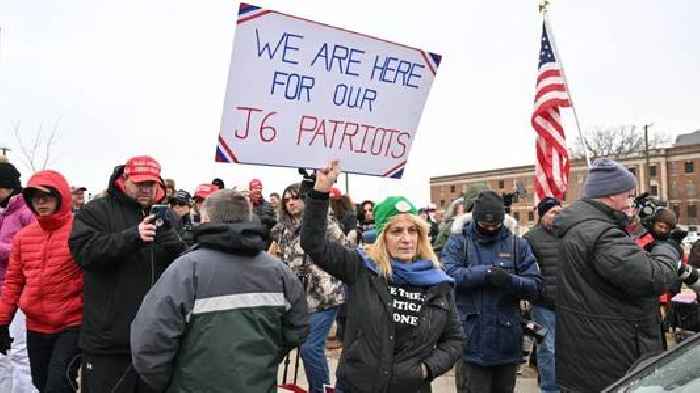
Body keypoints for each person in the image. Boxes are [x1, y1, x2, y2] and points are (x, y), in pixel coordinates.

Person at [299, 161, 463, 393]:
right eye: (396, 231)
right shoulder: (361, 268)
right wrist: (321, 190)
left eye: (412, 230)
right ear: (382, 237)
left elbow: (455, 340)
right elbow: (313, 244)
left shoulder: (438, 282)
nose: (406, 239)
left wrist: (427, 369)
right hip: (357, 386)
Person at [131, 189, 308, 392]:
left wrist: (172, 382)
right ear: (248, 217)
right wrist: (261, 362)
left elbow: (149, 342)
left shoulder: (186, 269)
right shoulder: (279, 271)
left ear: (205, 218)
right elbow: (298, 327)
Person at [552, 158, 679, 392]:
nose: (632, 203)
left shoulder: (582, 228)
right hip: (614, 356)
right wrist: (666, 247)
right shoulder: (602, 235)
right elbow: (655, 277)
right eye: (629, 196)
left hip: (591, 352)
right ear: (611, 195)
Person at [69, 155, 186, 393]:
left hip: (157, 340)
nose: (145, 189)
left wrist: (175, 243)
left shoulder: (170, 217)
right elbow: (84, 253)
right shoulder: (96, 211)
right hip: (109, 342)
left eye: (151, 184)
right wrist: (132, 237)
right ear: (124, 180)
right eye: (139, 183)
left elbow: (185, 266)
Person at [442, 190, 542, 393]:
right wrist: (484, 273)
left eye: (494, 225)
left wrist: (508, 280)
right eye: (484, 225)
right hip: (470, 341)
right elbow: (448, 277)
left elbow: (534, 286)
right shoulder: (459, 242)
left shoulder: (517, 245)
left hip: (507, 341)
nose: (489, 229)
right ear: (475, 218)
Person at [0, 170, 83, 393]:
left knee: (58, 383)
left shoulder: (80, 230)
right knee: (40, 382)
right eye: (35, 197)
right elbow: (14, 281)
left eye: (47, 196)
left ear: (61, 197)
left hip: (72, 323)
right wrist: (2, 321)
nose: (41, 201)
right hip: (36, 324)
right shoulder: (23, 237)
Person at [269, 182, 346, 393]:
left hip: (325, 296)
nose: (291, 203)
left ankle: (320, 390)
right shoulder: (281, 231)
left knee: (310, 348)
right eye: (287, 200)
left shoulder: (324, 223)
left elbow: (346, 249)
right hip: (296, 297)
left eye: (295, 198)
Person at [0, 162, 36, 393]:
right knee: (2, 353)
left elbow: (31, 250)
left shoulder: (27, 212)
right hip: (2, 291)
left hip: (22, 292)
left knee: (20, 352)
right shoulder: (2, 212)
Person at [523, 197, 562, 393]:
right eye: (553, 212)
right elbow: (526, 271)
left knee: (566, 351)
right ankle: (549, 389)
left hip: (568, 304)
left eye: (559, 211)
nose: (558, 215)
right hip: (542, 306)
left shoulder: (567, 234)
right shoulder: (530, 238)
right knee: (548, 350)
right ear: (542, 215)